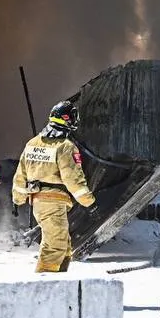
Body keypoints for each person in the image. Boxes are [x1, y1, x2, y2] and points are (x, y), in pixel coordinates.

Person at [11, 100, 97, 273]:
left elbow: (21, 176)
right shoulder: (66, 147)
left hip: (38, 202)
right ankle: (44, 287)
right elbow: (73, 179)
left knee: (64, 246)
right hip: (53, 202)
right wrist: (89, 202)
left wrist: (17, 200)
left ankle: (61, 283)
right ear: (67, 120)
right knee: (55, 246)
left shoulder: (32, 144)